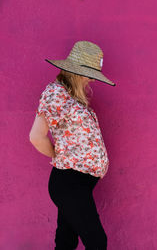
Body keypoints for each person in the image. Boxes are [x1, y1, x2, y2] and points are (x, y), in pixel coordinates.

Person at [29, 41, 116, 250]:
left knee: (66, 241)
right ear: (77, 71)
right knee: (97, 242)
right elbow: (36, 136)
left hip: (79, 182)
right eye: (89, 74)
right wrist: (60, 158)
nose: (90, 80)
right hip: (69, 181)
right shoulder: (55, 93)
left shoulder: (73, 96)